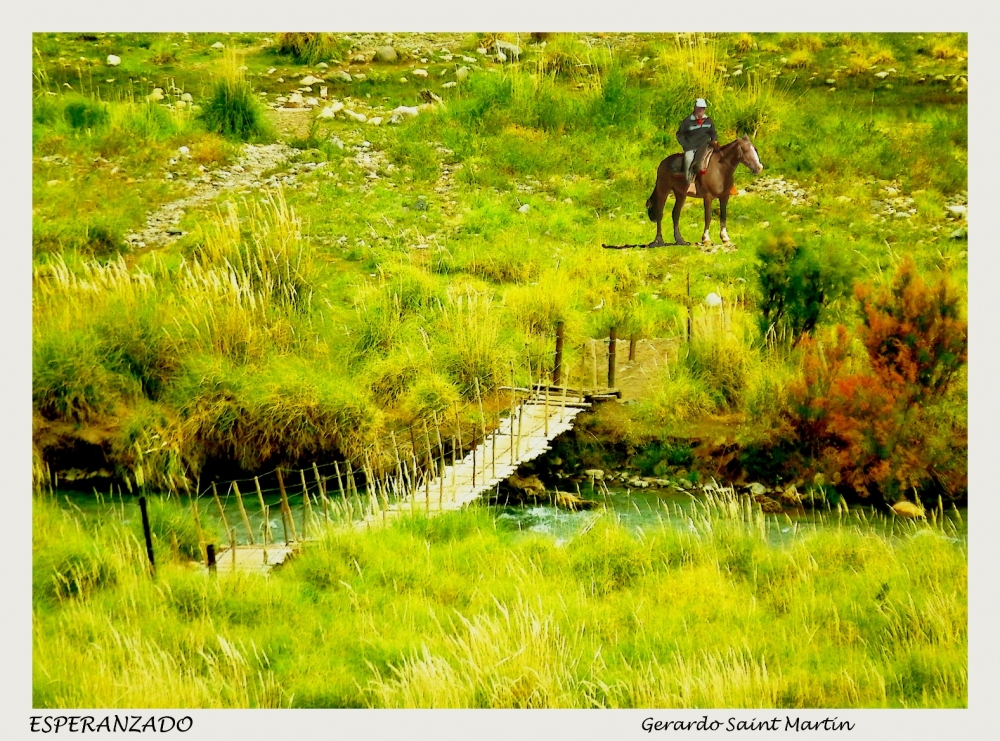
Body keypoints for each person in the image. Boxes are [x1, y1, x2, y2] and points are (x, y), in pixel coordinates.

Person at [676, 98, 719, 184]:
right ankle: (690, 183)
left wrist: (714, 140)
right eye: (699, 108)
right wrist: (686, 145)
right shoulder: (687, 121)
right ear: (695, 108)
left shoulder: (708, 120)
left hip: (706, 146)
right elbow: (680, 135)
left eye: (703, 108)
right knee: (688, 160)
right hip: (692, 147)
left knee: (719, 159)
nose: (701, 110)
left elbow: (713, 132)